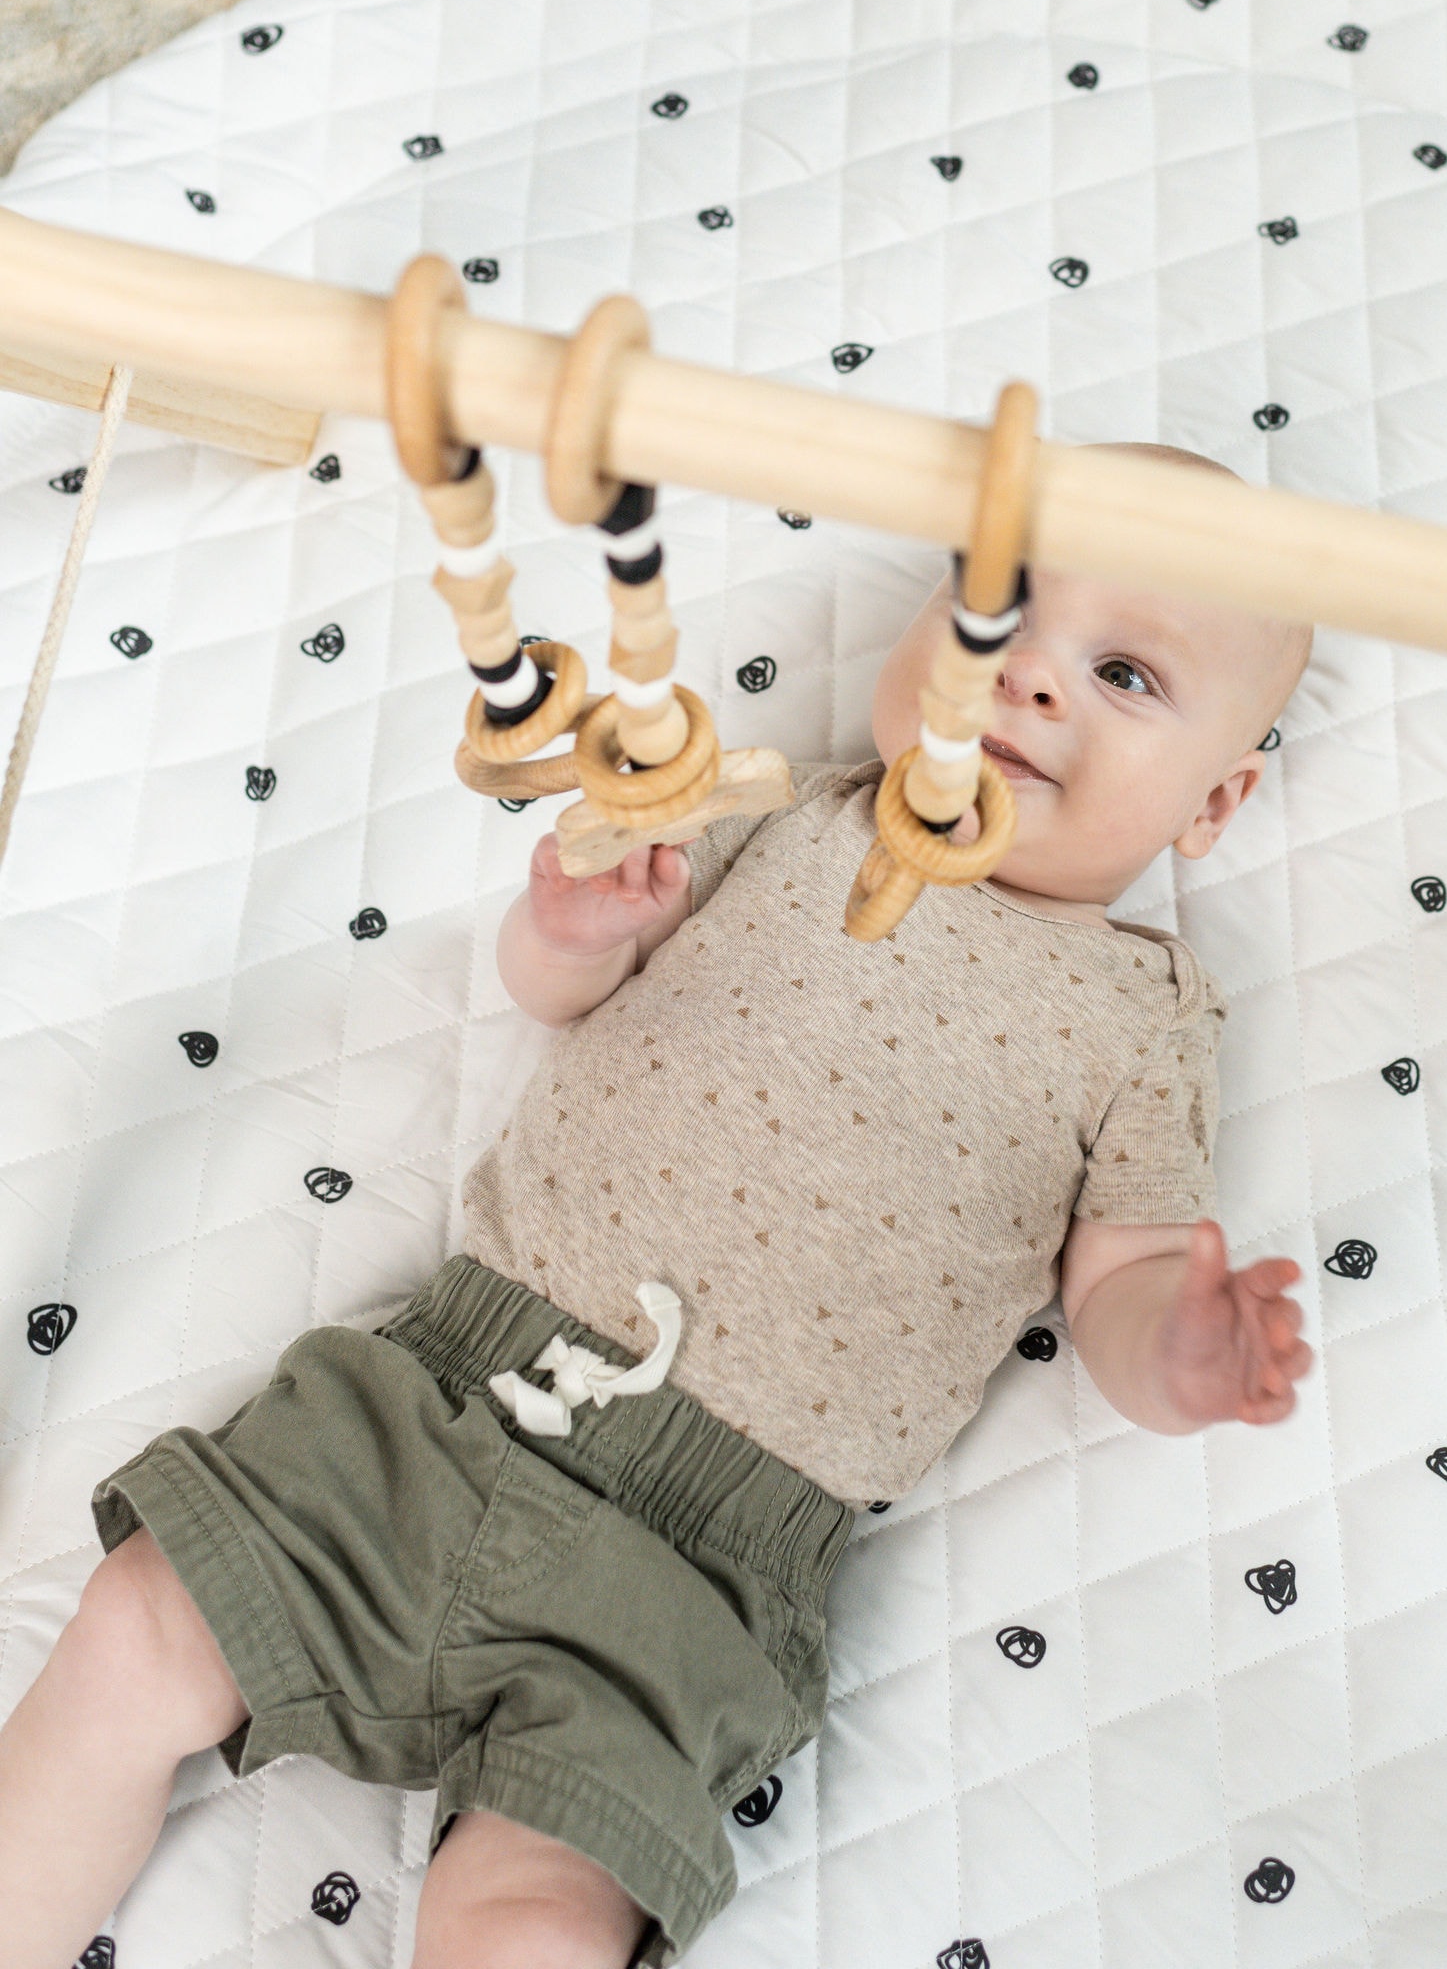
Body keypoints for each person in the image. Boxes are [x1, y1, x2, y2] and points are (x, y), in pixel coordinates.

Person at [0, 443, 1317, 1969]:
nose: (1025, 683)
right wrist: (569, 927)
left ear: (1215, 803)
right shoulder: (797, 813)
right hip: (443, 1398)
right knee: (136, 1625)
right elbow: (568, 993)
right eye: (993, 617)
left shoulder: (1142, 1015)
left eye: (1127, 674)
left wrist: (1186, 1351)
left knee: (535, 1916)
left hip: (702, 1573)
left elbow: (1125, 1281)